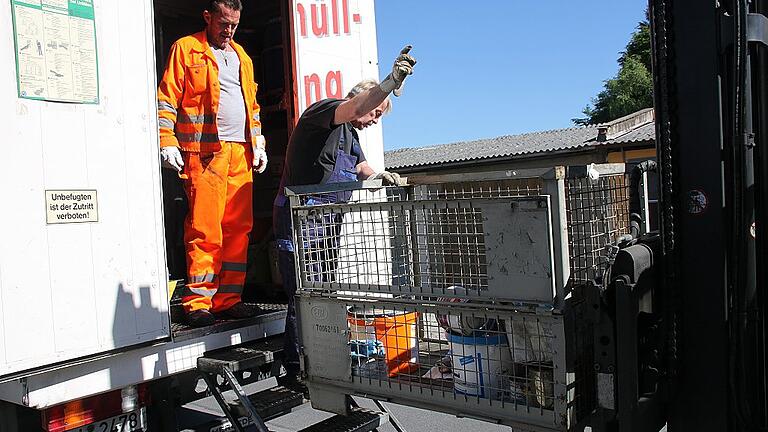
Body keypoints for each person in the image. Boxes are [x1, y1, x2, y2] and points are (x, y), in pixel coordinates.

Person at [273, 47, 417, 382]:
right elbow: (355, 107)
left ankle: (318, 361)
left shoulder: (351, 134)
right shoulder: (322, 114)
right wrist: (389, 82)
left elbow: (361, 165)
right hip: (301, 218)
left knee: (323, 292)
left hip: (328, 220)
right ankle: (297, 367)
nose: (374, 120)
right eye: (375, 113)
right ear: (363, 100)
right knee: (304, 294)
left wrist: (378, 175)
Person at [157, 0, 269, 327]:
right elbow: (167, 99)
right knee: (205, 228)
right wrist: (166, 141)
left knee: (238, 230)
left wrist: (258, 140)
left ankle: (228, 299)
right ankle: (198, 302)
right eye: (223, 23)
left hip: (240, 154)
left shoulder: (242, 57)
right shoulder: (186, 49)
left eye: (234, 24)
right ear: (208, 17)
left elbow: (253, 105)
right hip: (205, 153)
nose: (228, 30)